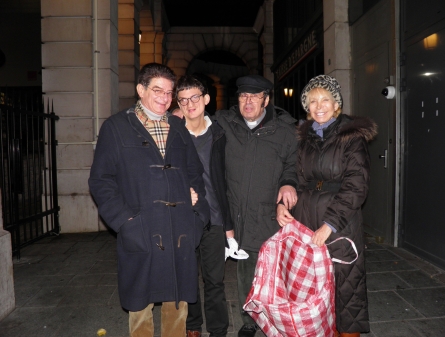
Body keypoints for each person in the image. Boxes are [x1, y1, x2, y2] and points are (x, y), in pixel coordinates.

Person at [88, 63, 210, 337]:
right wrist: (125, 221)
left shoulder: (178, 127)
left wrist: (198, 214)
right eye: (158, 90)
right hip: (141, 229)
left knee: (177, 305)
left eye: (169, 92)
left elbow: (194, 173)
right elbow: (101, 180)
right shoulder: (117, 127)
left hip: (179, 231)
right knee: (140, 304)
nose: (165, 98)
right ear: (141, 90)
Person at [277, 75, 377, 337]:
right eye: (312, 101)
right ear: (306, 108)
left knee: (345, 288)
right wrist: (283, 205)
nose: (319, 106)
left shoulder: (351, 138)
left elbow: (357, 186)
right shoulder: (304, 138)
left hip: (341, 224)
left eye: (325, 100)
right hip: (306, 219)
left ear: (336, 105)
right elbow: (296, 178)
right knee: (311, 288)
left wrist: (329, 225)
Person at [215, 75, 298, 337]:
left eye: (254, 96)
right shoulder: (223, 124)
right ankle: (249, 320)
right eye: (243, 96)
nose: (248, 101)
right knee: (245, 270)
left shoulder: (285, 131)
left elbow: (292, 166)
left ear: (266, 99)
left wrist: (288, 183)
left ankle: (276, 317)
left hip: (267, 212)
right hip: (233, 211)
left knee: (273, 271)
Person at [174, 75, 248, 337]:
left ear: (206, 99)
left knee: (214, 280)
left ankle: (218, 330)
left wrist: (229, 227)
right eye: (183, 99)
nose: (189, 104)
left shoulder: (220, 132)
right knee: (188, 277)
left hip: (214, 219)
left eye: (195, 97)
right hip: (183, 218)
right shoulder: (174, 132)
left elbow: (227, 180)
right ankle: (193, 325)